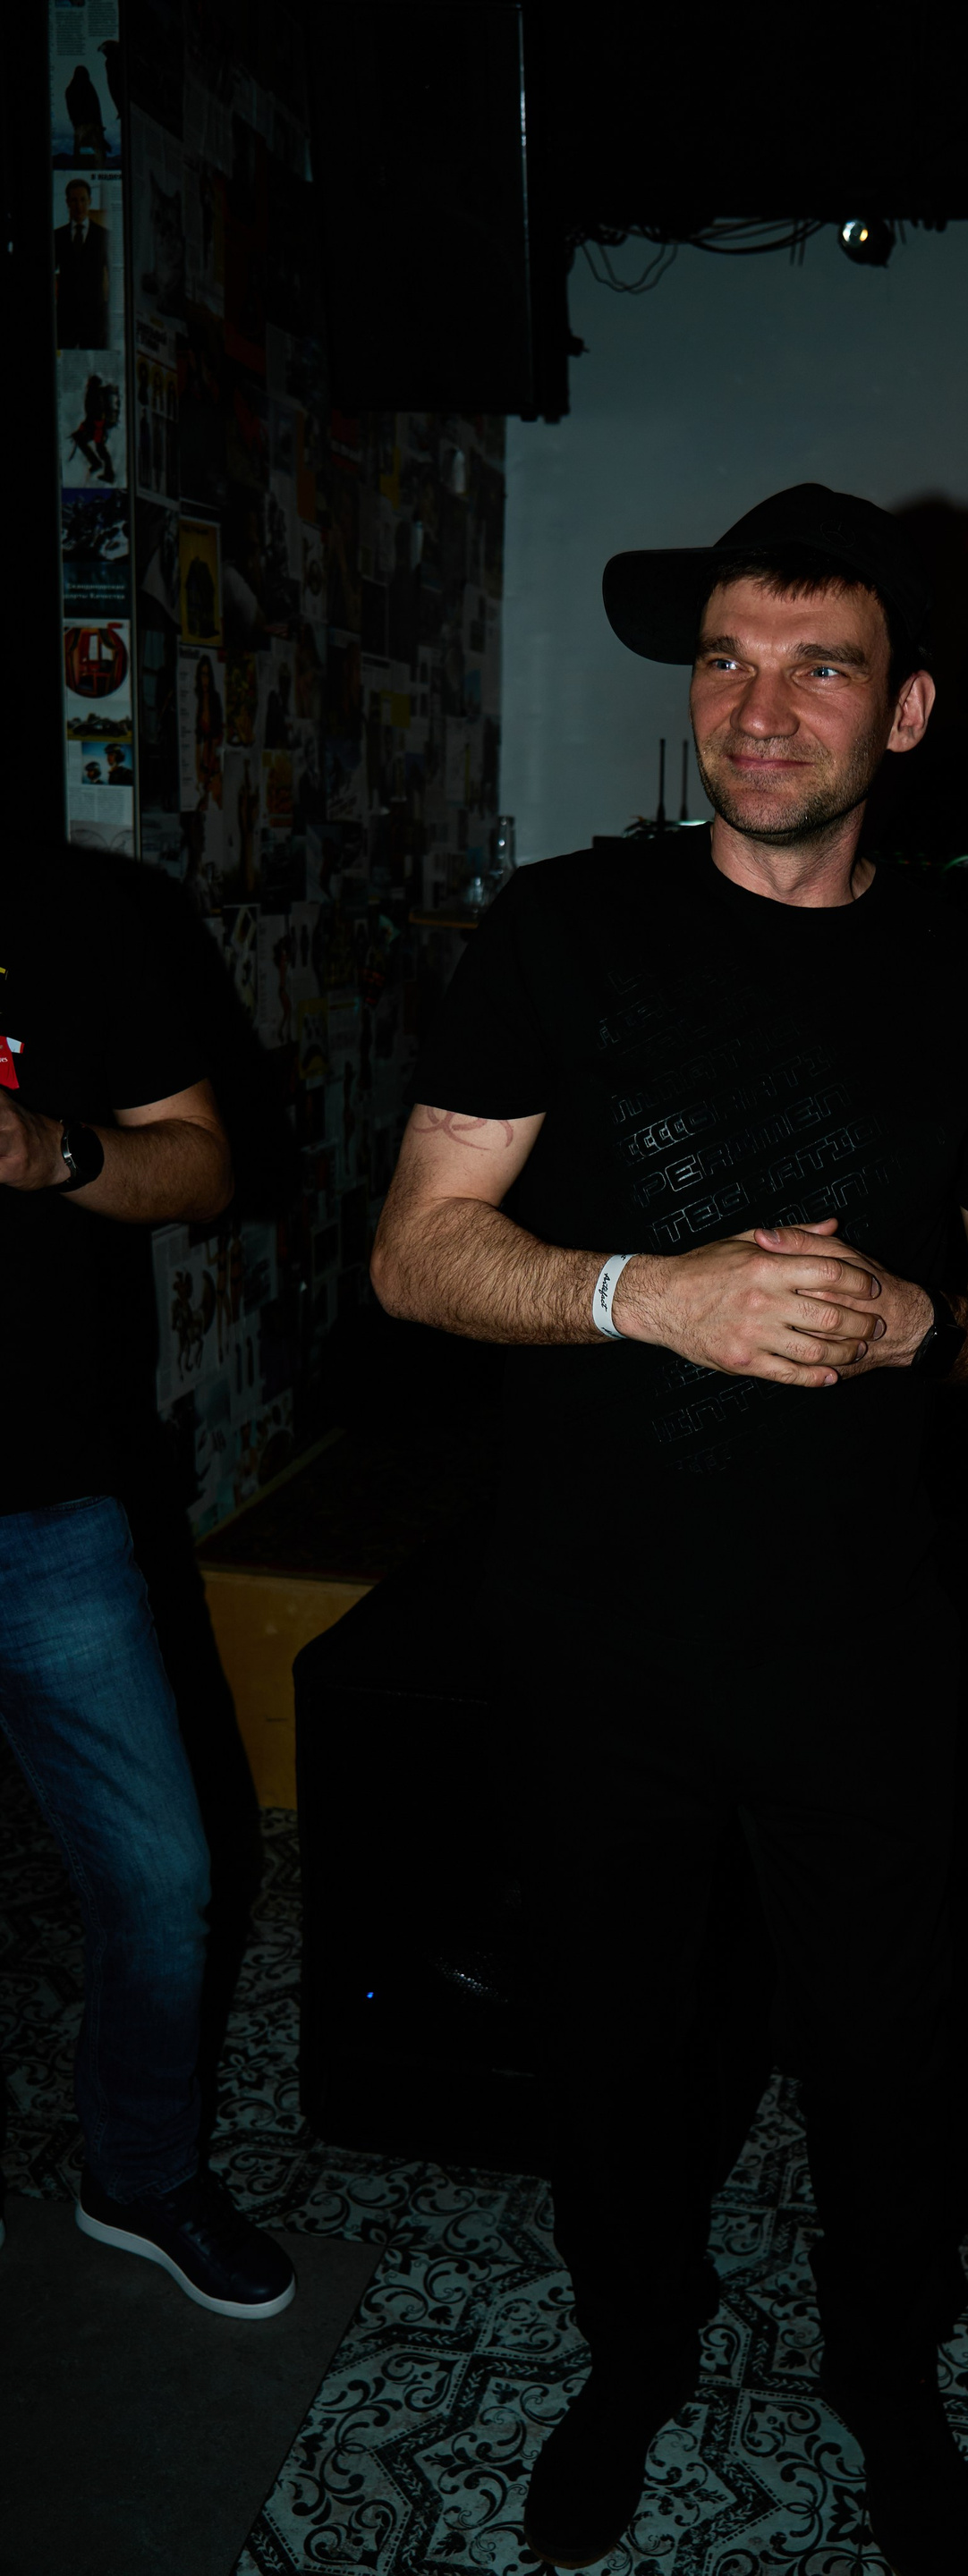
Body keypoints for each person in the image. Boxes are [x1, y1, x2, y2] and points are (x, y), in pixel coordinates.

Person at [371, 483, 968, 2575]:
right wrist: (642, 1294)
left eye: (819, 666)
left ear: (908, 710)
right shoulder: (563, 931)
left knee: (889, 2047)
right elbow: (416, 1252)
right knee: (612, 2038)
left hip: (867, 1630)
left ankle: (883, 2375)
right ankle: (632, 2356)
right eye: (725, 663)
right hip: (596, 1621)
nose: (757, 712)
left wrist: (931, 1326)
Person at [0, 849, 295, 2319]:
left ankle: (139, 2173)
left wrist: (47, 1152)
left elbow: (203, 1165)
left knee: (164, 1876)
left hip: (43, 1506)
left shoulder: (76, 913)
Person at [55, 180, 110, 349]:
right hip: (66, 317)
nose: (79, 206)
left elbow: (114, 276)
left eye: (83, 200)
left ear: (90, 201)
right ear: (67, 203)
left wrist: (107, 311)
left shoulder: (104, 236)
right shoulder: (57, 236)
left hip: (95, 319)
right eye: (74, 200)